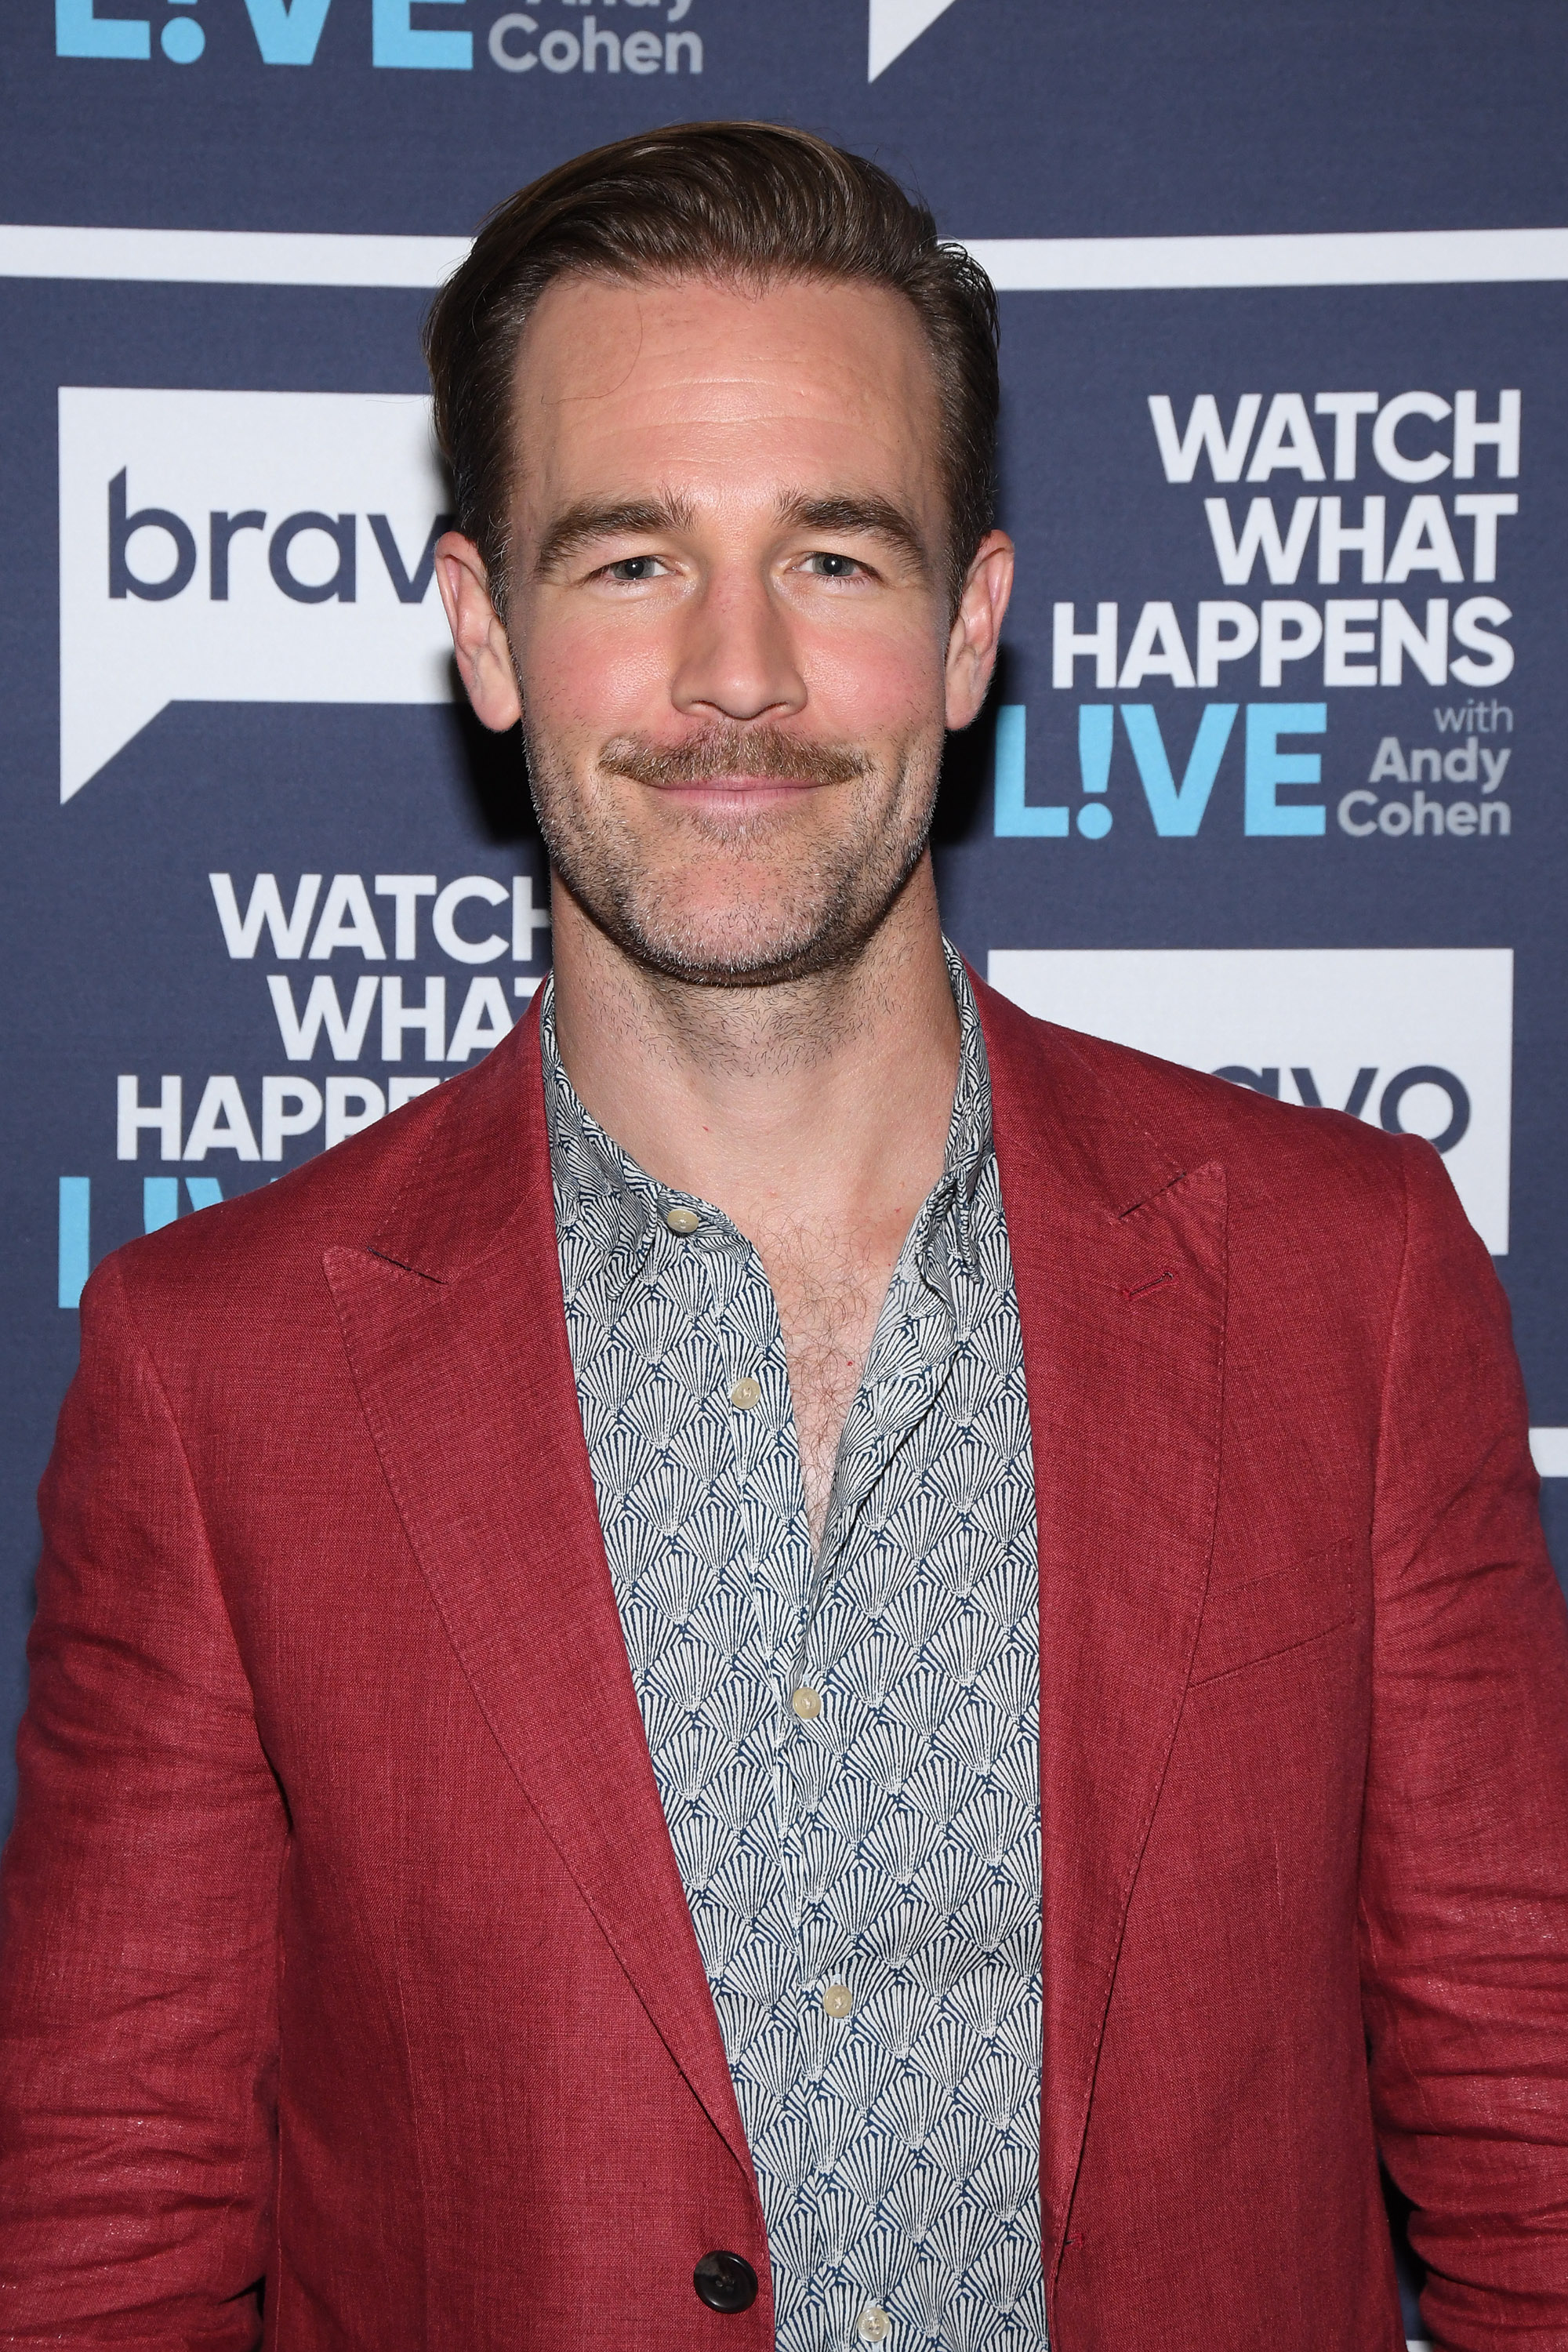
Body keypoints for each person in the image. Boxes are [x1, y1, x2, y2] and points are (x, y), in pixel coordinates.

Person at [2, 121, 1566, 2352]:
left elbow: (1529, 2120)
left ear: (970, 630)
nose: (735, 674)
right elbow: (105, 2232)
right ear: (485, 630)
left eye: (832, 559)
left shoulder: (1356, 1280)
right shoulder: (215, 1371)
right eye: (632, 561)